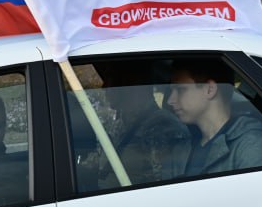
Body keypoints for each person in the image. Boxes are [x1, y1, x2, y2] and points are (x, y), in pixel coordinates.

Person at [76, 61, 190, 191]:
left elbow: (167, 191)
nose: (104, 86)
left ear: (131, 82)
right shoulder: (119, 124)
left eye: (110, 78)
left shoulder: (164, 128)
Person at [167, 58, 262, 176]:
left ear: (210, 89)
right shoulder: (184, 146)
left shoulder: (251, 144)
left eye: (181, 90)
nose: (170, 100)